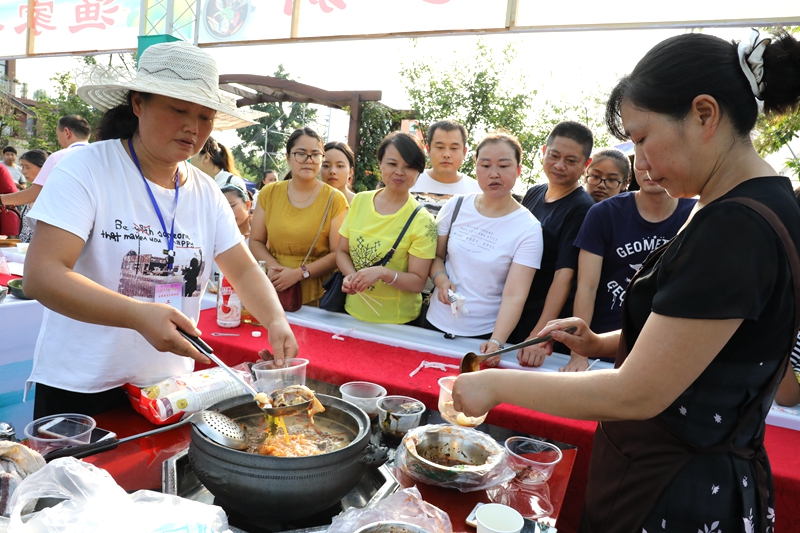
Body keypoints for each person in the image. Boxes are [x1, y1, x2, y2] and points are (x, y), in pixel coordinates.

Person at [452, 30, 800, 533]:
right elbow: (709, 342)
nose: (641, 161)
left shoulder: (735, 226)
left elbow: (638, 393)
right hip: (682, 472)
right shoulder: (756, 202)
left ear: (704, 114)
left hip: (677, 490)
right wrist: (600, 341)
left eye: (641, 137)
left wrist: (494, 383)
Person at [22, 40, 298, 418]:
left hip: (168, 390)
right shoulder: (85, 169)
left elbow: (245, 268)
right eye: (179, 109)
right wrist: (138, 314)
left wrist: (276, 320)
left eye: (205, 117)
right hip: (82, 386)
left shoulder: (206, 192)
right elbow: (43, 275)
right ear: (139, 104)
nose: (192, 127)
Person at [562, 165, 696, 371]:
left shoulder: (696, 215)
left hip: (665, 350)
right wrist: (579, 355)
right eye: (642, 157)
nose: (649, 166)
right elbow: (587, 287)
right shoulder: (603, 213)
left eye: (658, 158)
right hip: (601, 349)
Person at [425, 132, 543, 351]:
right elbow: (436, 257)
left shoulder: (529, 228)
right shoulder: (455, 206)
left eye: (504, 166)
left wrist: (497, 341)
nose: (494, 174)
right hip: (432, 324)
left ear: (518, 170)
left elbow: (515, 294)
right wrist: (441, 280)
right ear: (476, 166)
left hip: (483, 336)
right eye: (486, 165)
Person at [509, 121, 595, 367]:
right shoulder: (535, 192)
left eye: (570, 160)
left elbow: (564, 279)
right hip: (515, 306)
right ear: (544, 151)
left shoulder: (582, 208)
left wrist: (539, 336)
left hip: (541, 316)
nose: (559, 165)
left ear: (585, 164)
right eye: (554, 156)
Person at [337, 132, 437, 324]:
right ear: (380, 164)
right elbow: (341, 251)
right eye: (392, 164)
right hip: (351, 313)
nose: (399, 172)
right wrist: (351, 276)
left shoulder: (423, 221)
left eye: (408, 166)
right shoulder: (360, 201)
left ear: (418, 171)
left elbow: (418, 282)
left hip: (399, 322)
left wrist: (383, 273)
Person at [250, 128, 348, 307]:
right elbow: (256, 241)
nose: (308, 161)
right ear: (288, 157)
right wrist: (275, 270)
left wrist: (298, 273)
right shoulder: (269, 193)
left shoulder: (334, 199)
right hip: (274, 285)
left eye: (315, 154)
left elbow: (337, 253)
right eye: (301, 154)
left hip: (316, 291)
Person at [0, 115, 91, 209]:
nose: (58, 140)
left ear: (67, 132)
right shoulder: (102, 156)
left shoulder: (59, 157)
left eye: (57, 135)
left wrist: (1, 199)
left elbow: (33, 193)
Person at [410, 119, 481, 217]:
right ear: (428, 150)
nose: (446, 154)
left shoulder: (477, 192)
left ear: (464, 152)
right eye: (440, 147)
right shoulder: (410, 182)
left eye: (454, 148)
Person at [16, 149, 49, 243]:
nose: (24, 171)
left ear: (43, 167)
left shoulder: (49, 193)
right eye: (22, 167)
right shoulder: (31, 192)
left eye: (27, 167)